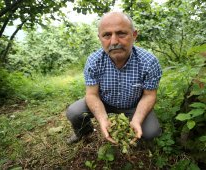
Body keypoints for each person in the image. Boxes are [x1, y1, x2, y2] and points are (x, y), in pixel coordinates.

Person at [66, 11, 162, 144]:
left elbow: (149, 95)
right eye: (106, 35)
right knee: (74, 112)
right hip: (104, 102)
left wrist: (137, 119)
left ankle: (136, 136)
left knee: (152, 131)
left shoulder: (149, 62)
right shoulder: (94, 61)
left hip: (133, 105)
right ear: (99, 37)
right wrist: (102, 119)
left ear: (134, 35)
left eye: (121, 33)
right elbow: (92, 95)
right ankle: (84, 132)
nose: (114, 41)